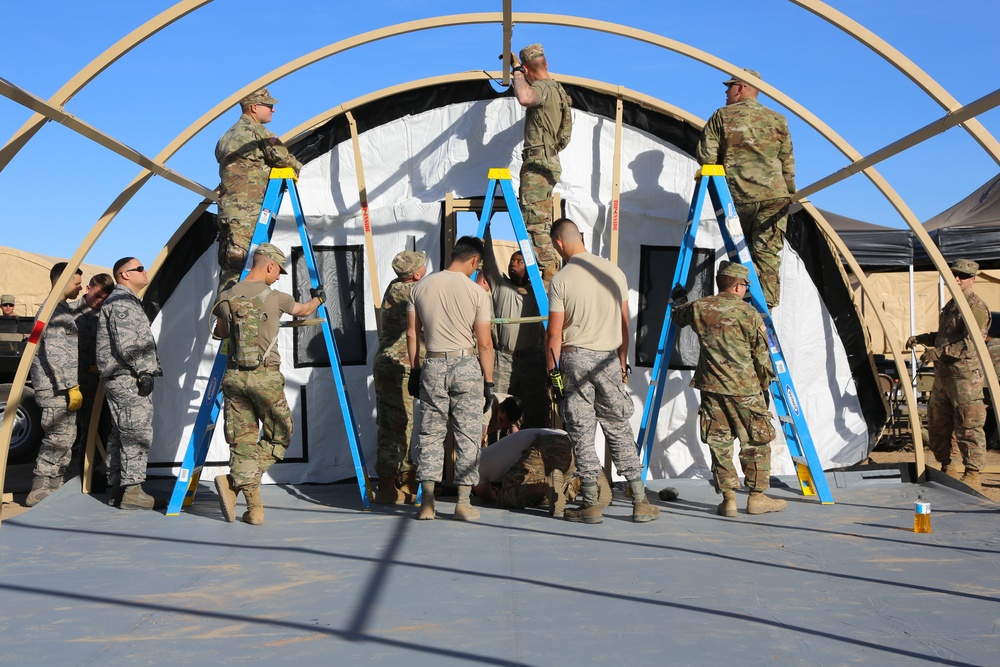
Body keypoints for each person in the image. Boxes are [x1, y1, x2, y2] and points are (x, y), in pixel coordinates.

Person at [545, 218, 659, 524]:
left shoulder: (562, 279)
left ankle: (591, 504)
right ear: (580, 237)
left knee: (582, 432)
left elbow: (554, 334)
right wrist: (622, 362)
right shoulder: (613, 271)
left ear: (558, 243)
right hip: (609, 359)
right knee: (618, 427)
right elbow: (625, 323)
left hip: (575, 359)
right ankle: (640, 501)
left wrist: (552, 371)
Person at [212, 243, 324, 525]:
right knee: (280, 436)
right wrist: (319, 299)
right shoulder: (277, 297)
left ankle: (255, 509)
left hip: (235, 377)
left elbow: (220, 332)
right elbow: (302, 310)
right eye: (278, 272)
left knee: (243, 441)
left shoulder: (225, 296)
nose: (278, 277)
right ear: (270, 265)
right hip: (265, 377)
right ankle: (236, 483)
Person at [672, 261, 785, 517]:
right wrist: (765, 386)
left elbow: (678, 315)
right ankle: (756, 497)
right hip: (746, 390)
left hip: (712, 389)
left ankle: (729, 500)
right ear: (737, 286)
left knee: (719, 444)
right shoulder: (750, 314)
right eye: (745, 285)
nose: (746, 289)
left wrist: (679, 298)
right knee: (756, 442)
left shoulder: (700, 308)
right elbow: (761, 356)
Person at [407, 236, 494, 521]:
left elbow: (412, 334)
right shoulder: (477, 293)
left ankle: (428, 504)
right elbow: (484, 344)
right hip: (466, 364)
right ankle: (463, 503)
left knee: (431, 433)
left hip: (432, 363)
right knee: (467, 435)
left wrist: (414, 369)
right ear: (474, 261)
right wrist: (489, 382)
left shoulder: (420, 287)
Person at [696, 68, 795, 309]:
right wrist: (789, 194)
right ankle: (766, 309)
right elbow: (787, 163)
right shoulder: (778, 119)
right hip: (775, 197)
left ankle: (738, 307)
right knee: (767, 254)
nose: (726, 92)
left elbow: (706, 157)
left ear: (741, 87)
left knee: (742, 254)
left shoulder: (722, 116)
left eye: (729, 87)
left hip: (739, 195)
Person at [906, 259, 992, 490]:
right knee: (938, 424)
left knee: (968, 425)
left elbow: (970, 343)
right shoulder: (952, 305)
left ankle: (972, 473)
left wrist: (938, 352)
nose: (956, 279)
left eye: (962, 276)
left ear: (973, 279)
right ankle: (948, 466)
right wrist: (925, 338)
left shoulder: (975, 307)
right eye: (954, 274)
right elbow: (948, 336)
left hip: (964, 378)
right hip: (943, 376)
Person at [215, 87, 303, 293]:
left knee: (229, 273)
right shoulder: (259, 134)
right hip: (249, 214)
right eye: (269, 106)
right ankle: (242, 323)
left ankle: (222, 323)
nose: (273, 110)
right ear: (254, 107)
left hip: (228, 214)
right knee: (247, 273)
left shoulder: (226, 137)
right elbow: (287, 161)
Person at [97, 257, 162, 510]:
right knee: (136, 432)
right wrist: (144, 370)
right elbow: (128, 344)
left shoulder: (125, 301)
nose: (144, 272)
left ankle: (120, 489)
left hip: (122, 376)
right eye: (139, 269)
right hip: (128, 378)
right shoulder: (123, 303)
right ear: (124, 275)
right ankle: (133, 491)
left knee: (120, 433)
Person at [510, 43, 573, 284]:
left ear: (527, 69)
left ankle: (548, 274)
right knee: (542, 220)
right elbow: (564, 135)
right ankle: (550, 269)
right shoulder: (559, 91)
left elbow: (525, 98)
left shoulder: (542, 88)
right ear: (546, 64)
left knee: (535, 222)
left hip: (538, 161)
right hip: (550, 158)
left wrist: (516, 71)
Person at [25, 263, 84, 506]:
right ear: (62, 281)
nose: (80, 287)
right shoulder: (55, 311)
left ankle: (55, 484)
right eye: (76, 282)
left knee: (66, 436)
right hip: (55, 388)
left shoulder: (59, 308)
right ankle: (39, 487)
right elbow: (57, 353)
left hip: (58, 387)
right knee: (57, 436)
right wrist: (71, 385)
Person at [372, 250, 427, 504]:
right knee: (398, 426)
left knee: (392, 422)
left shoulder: (395, 286)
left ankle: (399, 480)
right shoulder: (413, 292)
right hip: (400, 364)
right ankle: (390, 484)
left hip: (389, 362)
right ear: (415, 274)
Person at [482, 234, 549, 427]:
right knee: (495, 408)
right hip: (504, 358)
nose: (514, 264)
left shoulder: (539, 293)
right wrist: (487, 229)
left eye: (520, 262)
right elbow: (489, 263)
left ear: (529, 270)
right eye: (512, 260)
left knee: (535, 410)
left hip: (531, 361)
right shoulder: (501, 286)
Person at [72, 273, 114, 474]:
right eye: (97, 295)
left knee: (101, 428)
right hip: (74, 382)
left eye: (104, 298)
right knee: (72, 430)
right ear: (88, 289)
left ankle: (94, 471)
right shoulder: (69, 313)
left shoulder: (108, 315)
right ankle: (81, 471)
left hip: (100, 382)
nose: (99, 301)